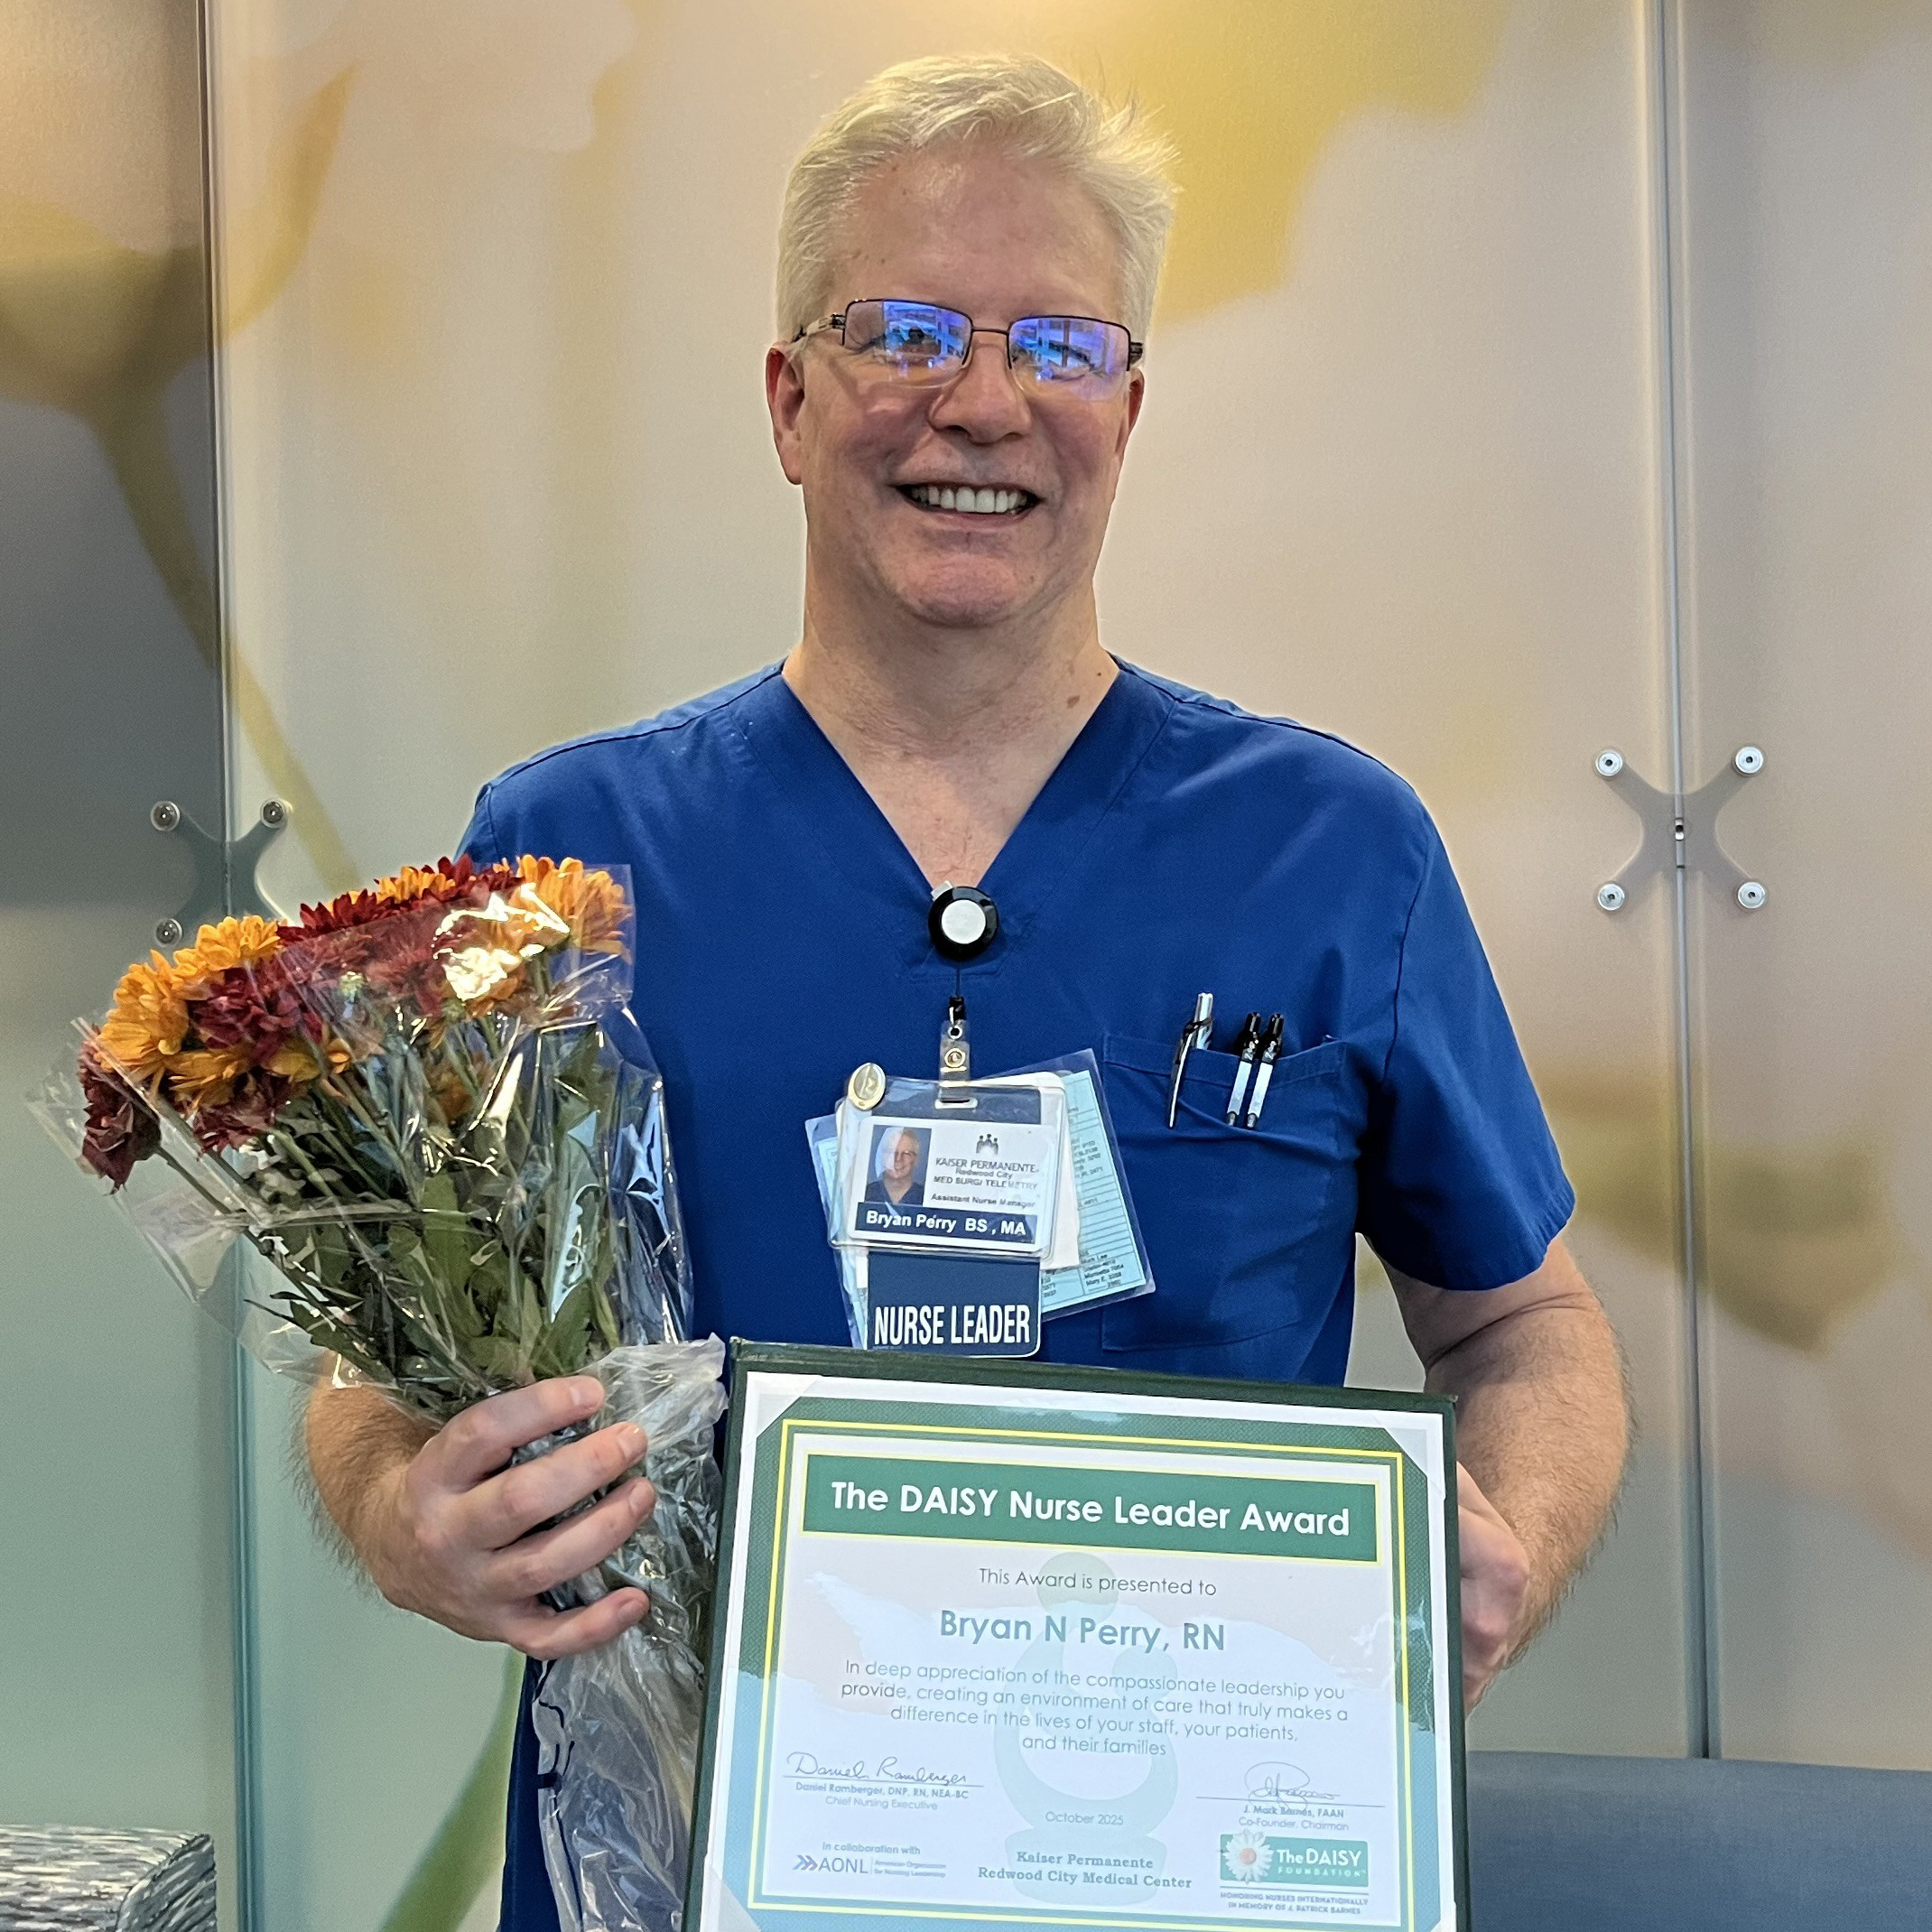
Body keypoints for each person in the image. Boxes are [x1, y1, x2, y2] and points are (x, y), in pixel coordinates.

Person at [302, 52, 1630, 1931]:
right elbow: (375, 1364)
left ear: (1127, 410)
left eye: (1058, 345)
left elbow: (1528, 1328)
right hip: (685, 1875)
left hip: (1200, 1868)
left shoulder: (1332, 848)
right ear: (788, 399)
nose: (982, 401)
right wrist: (393, 1508)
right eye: (904, 331)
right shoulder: (563, 856)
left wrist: (1499, 1547)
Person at [863, 1125, 927, 1212]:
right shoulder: (865, 1194)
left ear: (916, 1160)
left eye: (906, 1153)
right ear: (881, 1156)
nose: (898, 1159)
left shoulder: (926, 1197)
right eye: (891, 1151)